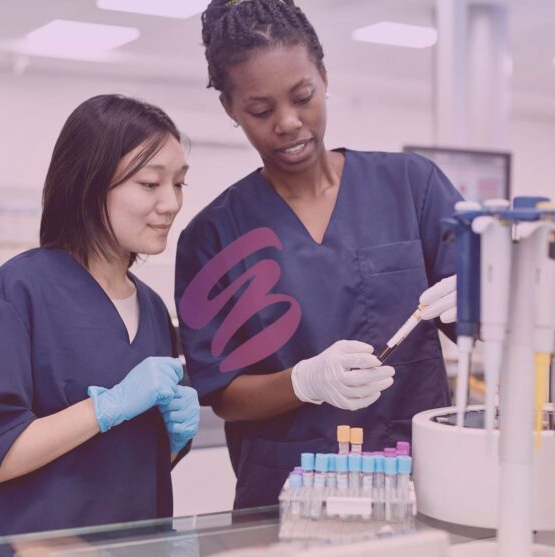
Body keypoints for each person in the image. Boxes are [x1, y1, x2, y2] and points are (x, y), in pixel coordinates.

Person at [174, 0, 461, 510]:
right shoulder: (214, 235)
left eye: (302, 97)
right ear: (230, 110)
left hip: (414, 481)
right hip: (288, 493)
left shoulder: (410, 187)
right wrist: (305, 382)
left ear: (323, 77)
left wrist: (485, 303)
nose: (287, 123)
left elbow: (484, 323)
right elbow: (223, 394)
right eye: (260, 111)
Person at [0, 94, 200, 557]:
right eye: (150, 183)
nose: (172, 203)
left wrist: (173, 440)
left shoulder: (156, 310)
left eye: (179, 183)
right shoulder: (17, 292)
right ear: (89, 184)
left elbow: (127, 464)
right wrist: (107, 407)